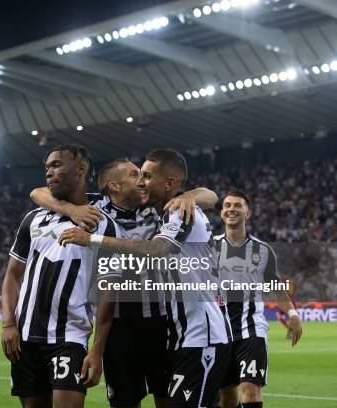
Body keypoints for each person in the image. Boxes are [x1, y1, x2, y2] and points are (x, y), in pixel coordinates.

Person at [30, 158, 218, 408]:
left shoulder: (156, 204)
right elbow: (37, 193)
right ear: (114, 186)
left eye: (144, 175)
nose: (142, 181)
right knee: (124, 401)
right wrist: (72, 210)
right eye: (134, 174)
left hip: (162, 323)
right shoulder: (94, 206)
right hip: (118, 327)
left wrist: (191, 195)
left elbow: (211, 197)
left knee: (169, 399)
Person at [1, 144, 121, 408]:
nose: (48, 172)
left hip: (70, 337)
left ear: (80, 169)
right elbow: (13, 274)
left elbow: (107, 293)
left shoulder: (104, 224)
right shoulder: (33, 219)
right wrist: (8, 323)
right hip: (25, 338)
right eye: (47, 167)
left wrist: (97, 349)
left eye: (56, 165)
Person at [216, 190, 302, 408]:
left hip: (251, 330)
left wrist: (292, 313)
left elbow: (275, 287)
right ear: (222, 212)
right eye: (227, 205)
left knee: (251, 391)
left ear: (248, 213)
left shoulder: (263, 250)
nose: (231, 209)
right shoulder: (209, 247)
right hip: (218, 331)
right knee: (227, 395)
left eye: (237, 205)